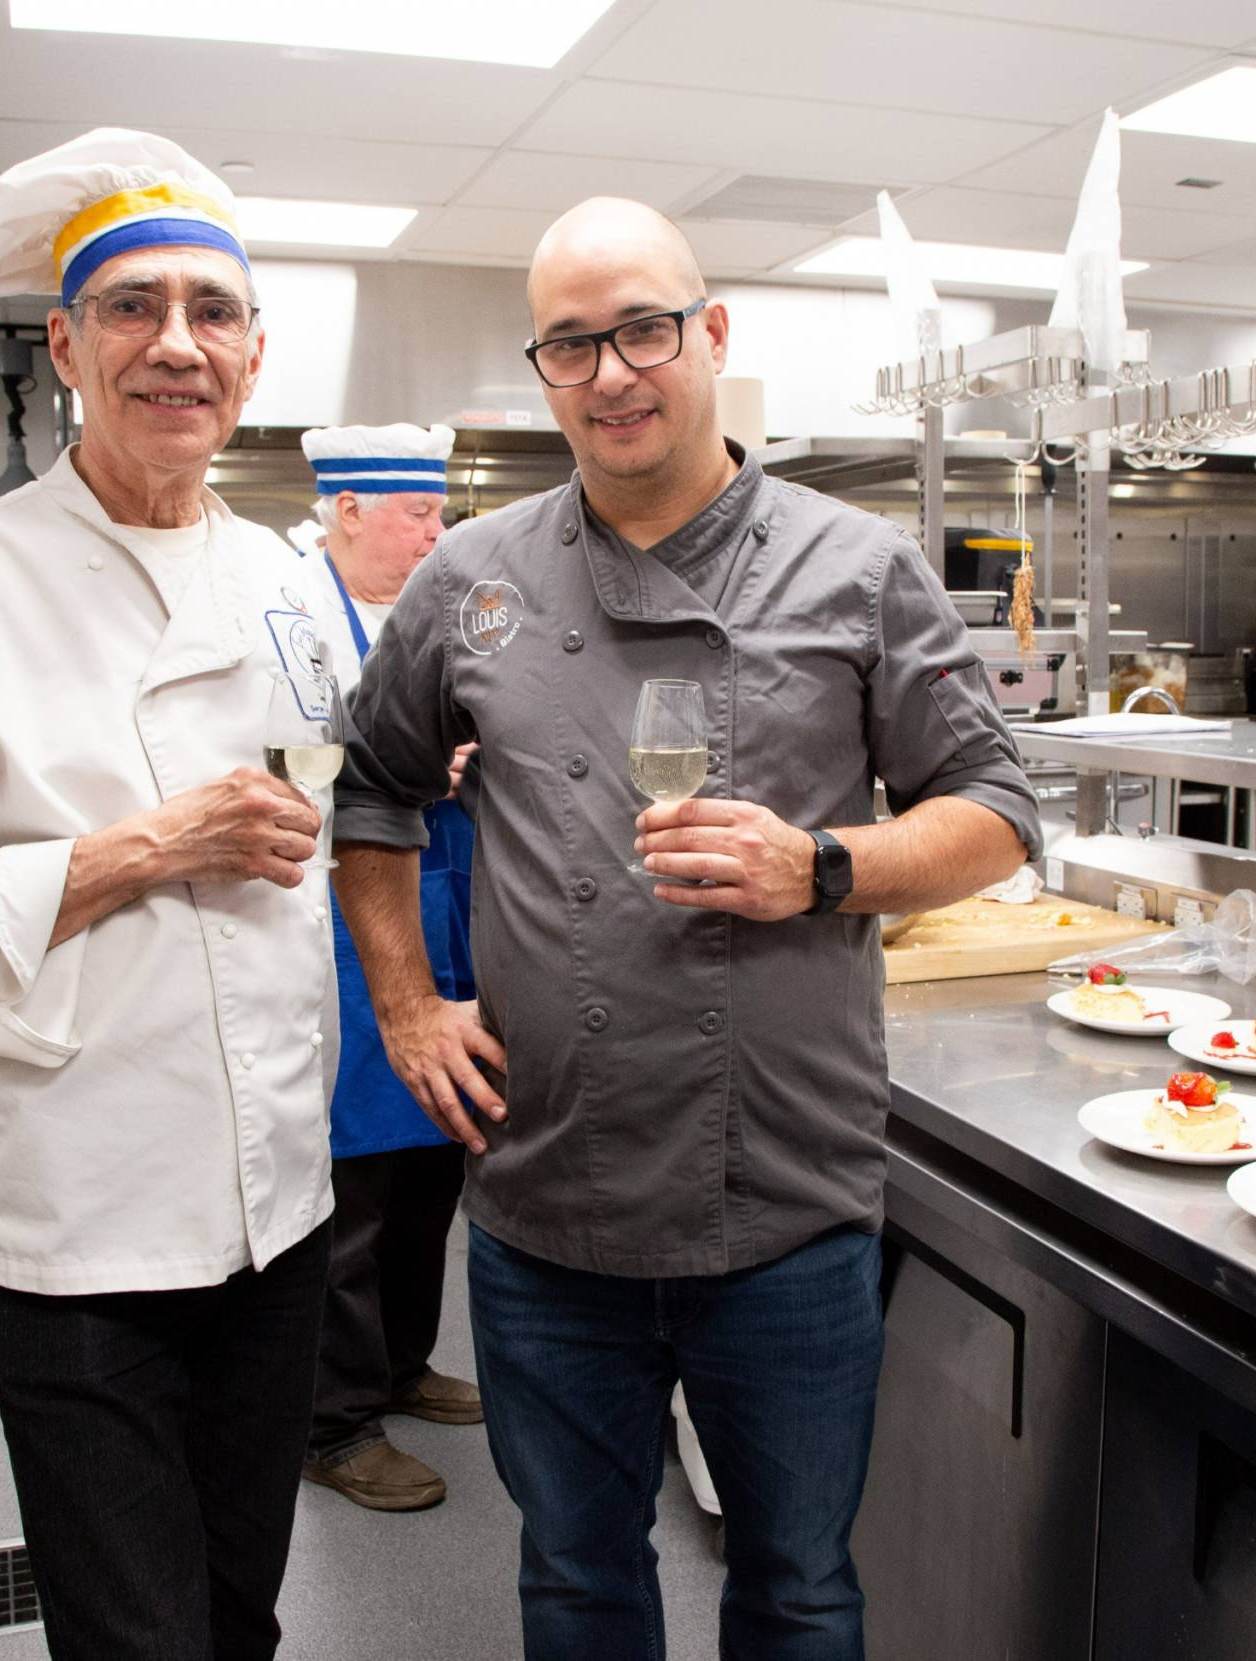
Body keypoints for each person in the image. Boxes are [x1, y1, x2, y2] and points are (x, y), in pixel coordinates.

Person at [332, 198, 1041, 1659]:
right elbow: (373, 797)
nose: (611, 373)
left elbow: (999, 807)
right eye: (571, 344)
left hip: (785, 1200)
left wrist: (826, 867)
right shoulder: (472, 583)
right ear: (544, 369)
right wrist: (407, 1004)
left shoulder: (853, 568)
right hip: (548, 1200)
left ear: (710, 334)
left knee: (800, 1585)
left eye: (642, 329)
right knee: (578, 1581)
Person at [0, 128, 350, 1661]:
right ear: (66, 345)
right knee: (133, 1636)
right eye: (132, 307)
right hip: (88, 1222)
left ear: (252, 353)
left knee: (241, 1608)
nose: (178, 344)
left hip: (278, 1209)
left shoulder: (294, 584)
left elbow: (336, 832)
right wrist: (138, 850)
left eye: (213, 312)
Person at [292, 422, 485, 1513]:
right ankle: (332, 1416)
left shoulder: (444, 608)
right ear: (350, 509)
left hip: (447, 904)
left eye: (441, 510)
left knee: (430, 1165)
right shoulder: (296, 614)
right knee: (354, 1183)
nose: (436, 530)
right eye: (419, 512)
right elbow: (290, 763)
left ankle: (403, 1364)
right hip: (345, 925)